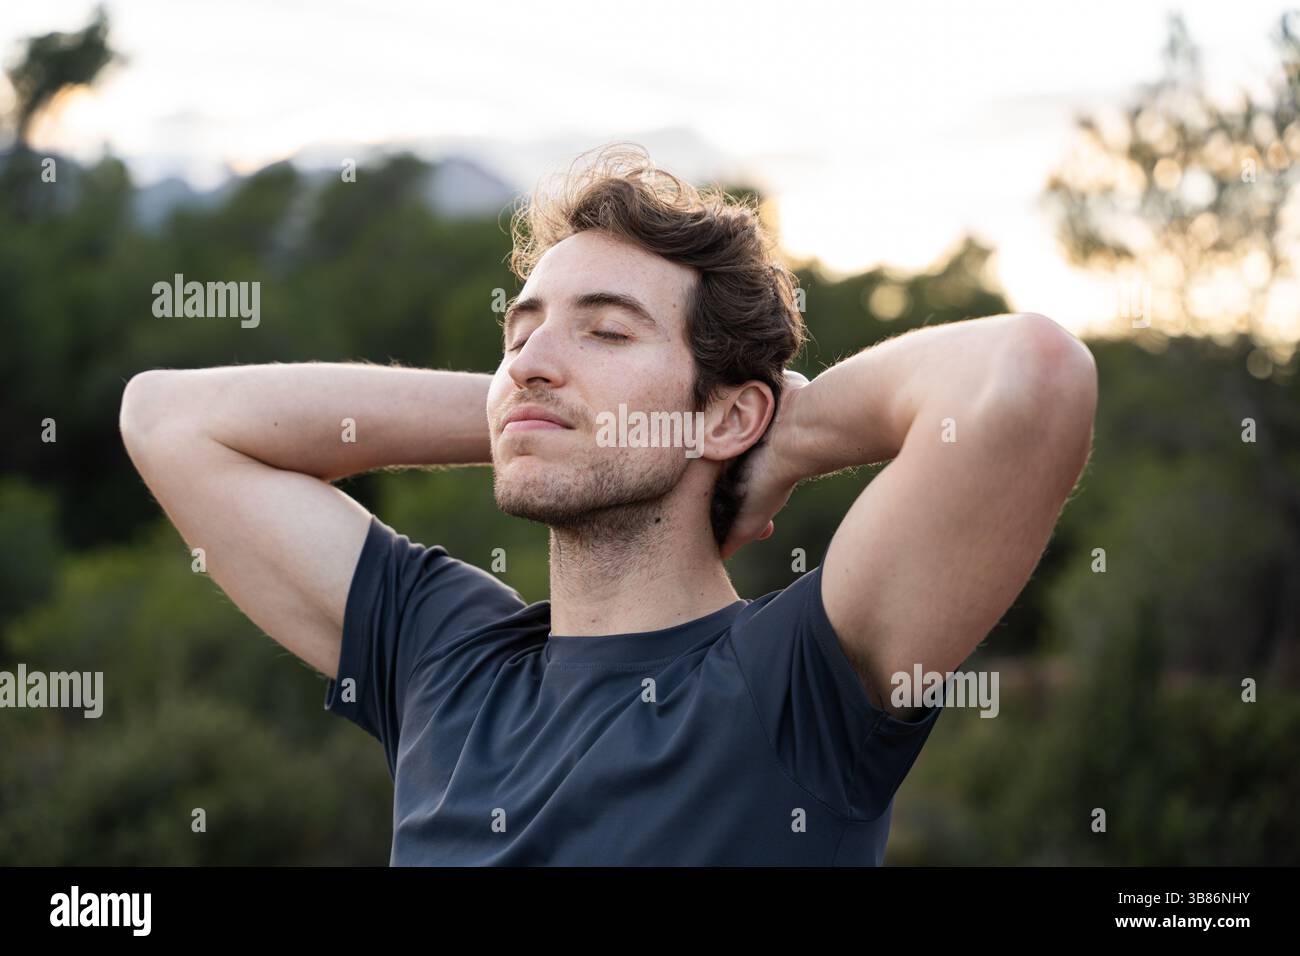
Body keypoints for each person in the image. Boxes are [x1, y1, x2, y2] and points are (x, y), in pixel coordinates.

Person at [119, 145, 1097, 865]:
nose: (532, 358)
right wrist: (529, 410)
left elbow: (1031, 377)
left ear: (728, 415)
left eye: (607, 332)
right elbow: (167, 418)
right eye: (522, 331)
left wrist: (787, 435)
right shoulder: (444, 654)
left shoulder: (796, 683)